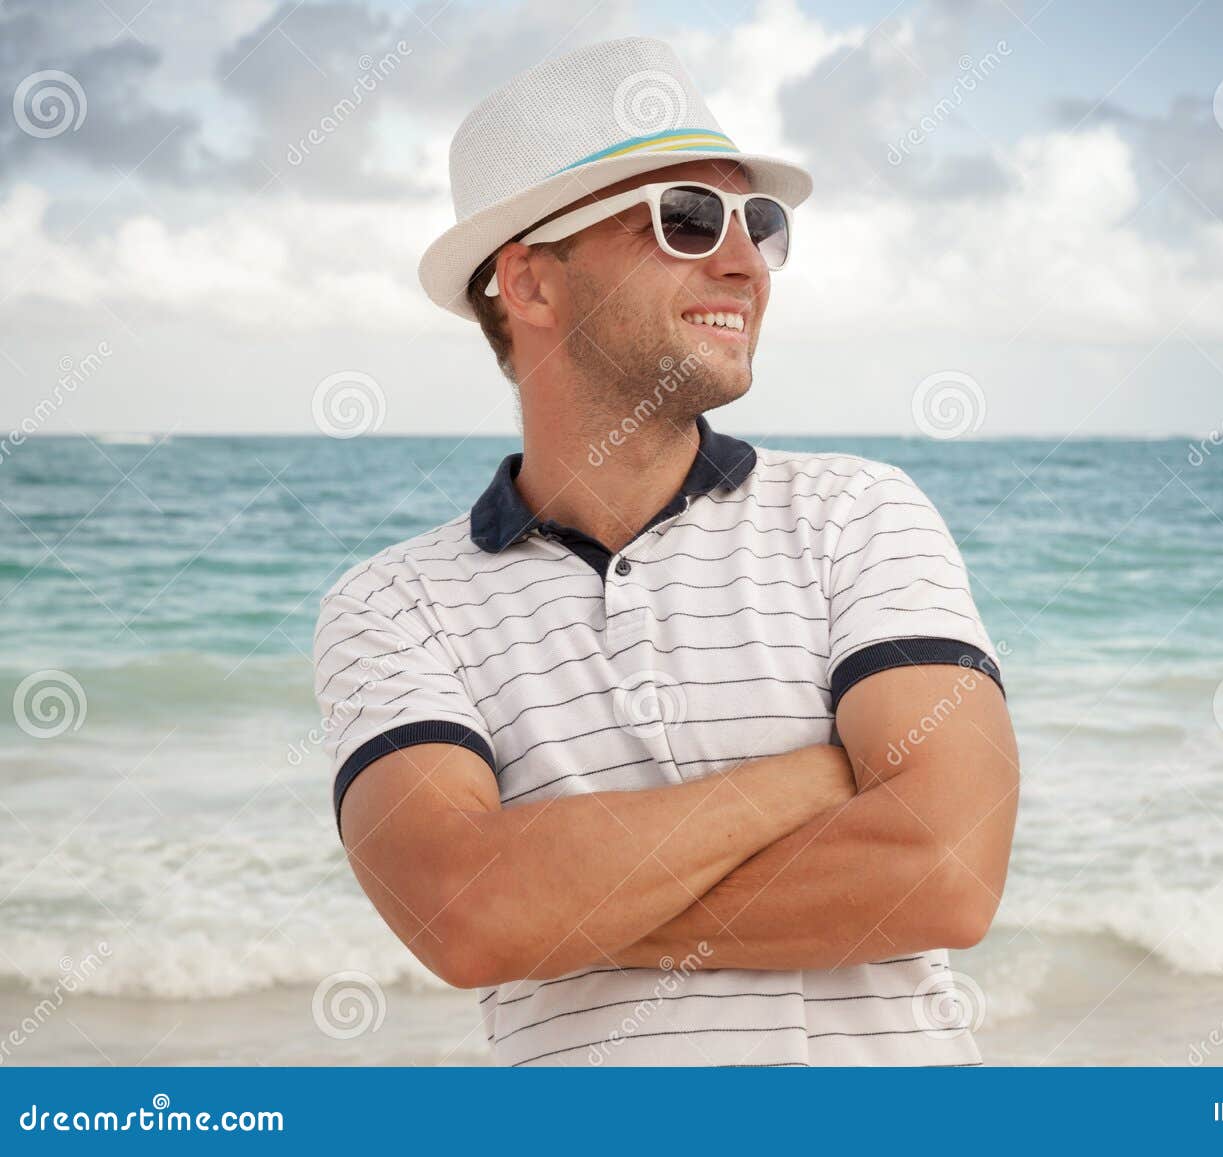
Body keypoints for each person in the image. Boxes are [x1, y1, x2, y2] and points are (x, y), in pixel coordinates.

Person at [312, 36, 1019, 1066]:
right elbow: (464, 916)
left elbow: (947, 870)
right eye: (685, 216)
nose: (740, 260)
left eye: (756, 223)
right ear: (530, 284)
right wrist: (810, 779)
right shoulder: (392, 605)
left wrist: (559, 913)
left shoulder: (858, 513)